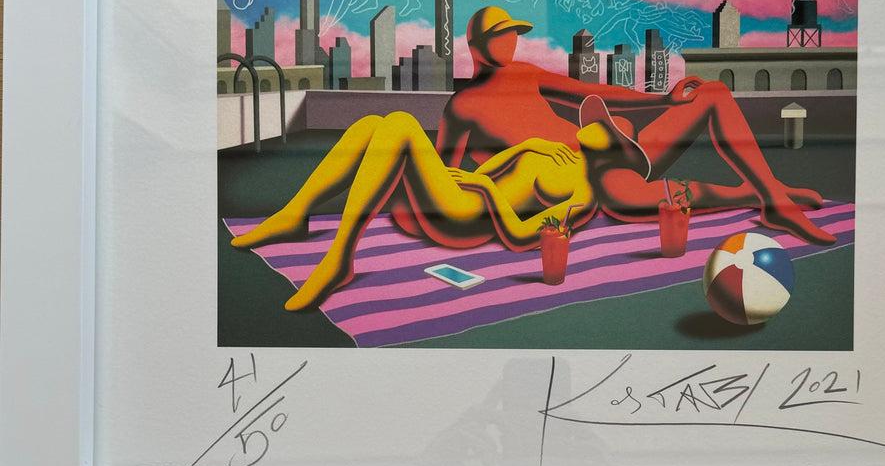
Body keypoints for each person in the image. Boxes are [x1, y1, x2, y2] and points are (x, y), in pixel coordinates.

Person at [437, 6, 835, 246]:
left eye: (513, 33)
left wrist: (664, 100)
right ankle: (760, 194)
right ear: (475, 44)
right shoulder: (462, 107)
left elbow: (590, 91)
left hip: (615, 146)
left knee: (712, 92)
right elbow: (443, 182)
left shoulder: (524, 72)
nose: (511, 41)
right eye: (500, 35)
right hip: (587, 182)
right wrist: (513, 162)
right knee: (654, 197)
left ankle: (774, 198)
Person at [231, 108, 640, 311]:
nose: (596, 124)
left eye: (607, 128)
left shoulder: (584, 195)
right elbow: (487, 172)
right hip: (462, 193)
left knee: (400, 123)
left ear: (611, 148)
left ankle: (339, 258)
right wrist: (525, 146)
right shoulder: (551, 151)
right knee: (373, 123)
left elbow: (520, 237)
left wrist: (484, 188)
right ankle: (295, 214)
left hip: (468, 218)